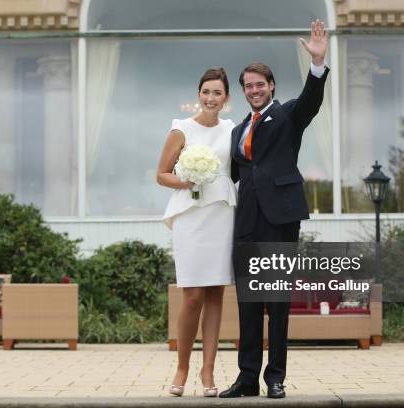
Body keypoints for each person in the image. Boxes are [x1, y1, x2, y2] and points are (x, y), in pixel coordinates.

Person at [219, 19, 330, 399]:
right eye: (248, 86)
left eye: (259, 84)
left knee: (277, 302)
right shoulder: (236, 131)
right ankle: (246, 377)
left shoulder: (287, 116)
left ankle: (275, 378)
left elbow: (312, 101)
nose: (254, 90)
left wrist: (317, 64)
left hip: (279, 218)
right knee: (248, 303)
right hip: (245, 221)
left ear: (271, 87)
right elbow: (231, 174)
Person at [157, 67, 237, 398]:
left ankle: (208, 372)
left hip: (221, 214)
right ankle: (182, 367)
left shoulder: (233, 130)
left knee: (216, 293)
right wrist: (186, 179)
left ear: (226, 98)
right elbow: (161, 174)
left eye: (217, 92)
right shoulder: (181, 129)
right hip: (191, 216)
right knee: (192, 295)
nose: (211, 98)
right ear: (198, 95)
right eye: (206, 91)